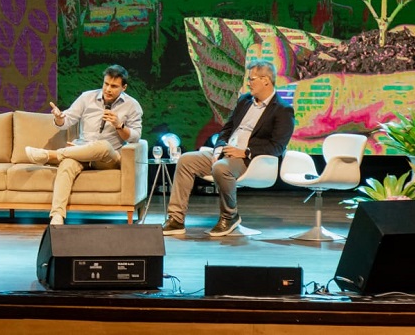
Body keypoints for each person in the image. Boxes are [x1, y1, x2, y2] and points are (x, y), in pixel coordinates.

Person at [162, 60, 294, 237]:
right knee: (186, 160)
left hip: (251, 159)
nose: (248, 83)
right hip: (225, 152)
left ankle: (229, 216)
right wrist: (219, 149)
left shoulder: (283, 109)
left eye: (251, 79)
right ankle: (176, 219)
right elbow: (226, 129)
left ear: (266, 80)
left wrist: (245, 151)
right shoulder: (245, 100)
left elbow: (277, 146)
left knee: (221, 167)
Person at [25, 65, 143, 225]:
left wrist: (119, 125)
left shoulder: (132, 105)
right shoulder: (87, 98)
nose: (108, 89)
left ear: (124, 87)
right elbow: (67, 120)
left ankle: (51, 155)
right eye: (106, 84)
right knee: (66, 164)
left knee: (103, 146)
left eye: (114, 86)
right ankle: (57, 216)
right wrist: (59, 118)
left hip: (108, 157)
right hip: (81, 152)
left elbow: (135, 138)